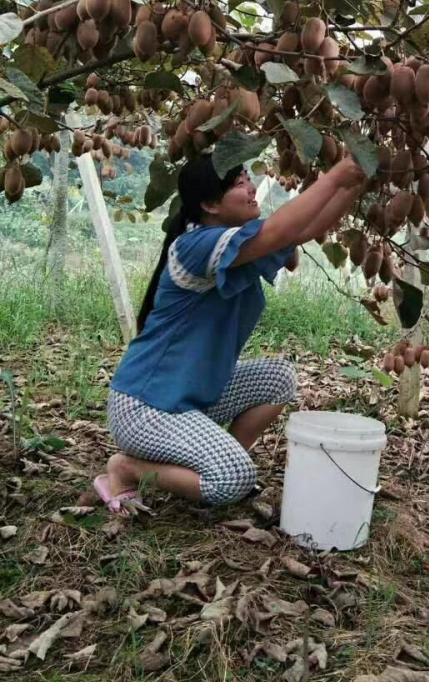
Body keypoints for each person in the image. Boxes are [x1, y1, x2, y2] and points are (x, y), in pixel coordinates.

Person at [93, 152, 365, 513]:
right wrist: (334, 176)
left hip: (187, 399)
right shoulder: (196, 246)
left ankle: (215, 464)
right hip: (146, 408)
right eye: (238, 184)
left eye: (245, 179)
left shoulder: (239, 246)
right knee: (232, 479)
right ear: (209, 204)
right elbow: (282, 230)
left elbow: (306, 230)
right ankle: (126, 468)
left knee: (277, 377)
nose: (251, 188)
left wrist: (361, 179)